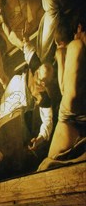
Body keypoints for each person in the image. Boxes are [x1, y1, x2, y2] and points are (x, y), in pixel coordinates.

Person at [39, 13, 86, 169]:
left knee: (47, 168)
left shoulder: (76, 46)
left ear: (79, 28)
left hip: (71, 117)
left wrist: (60, 56)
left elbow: (67, 91)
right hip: (75, 118)